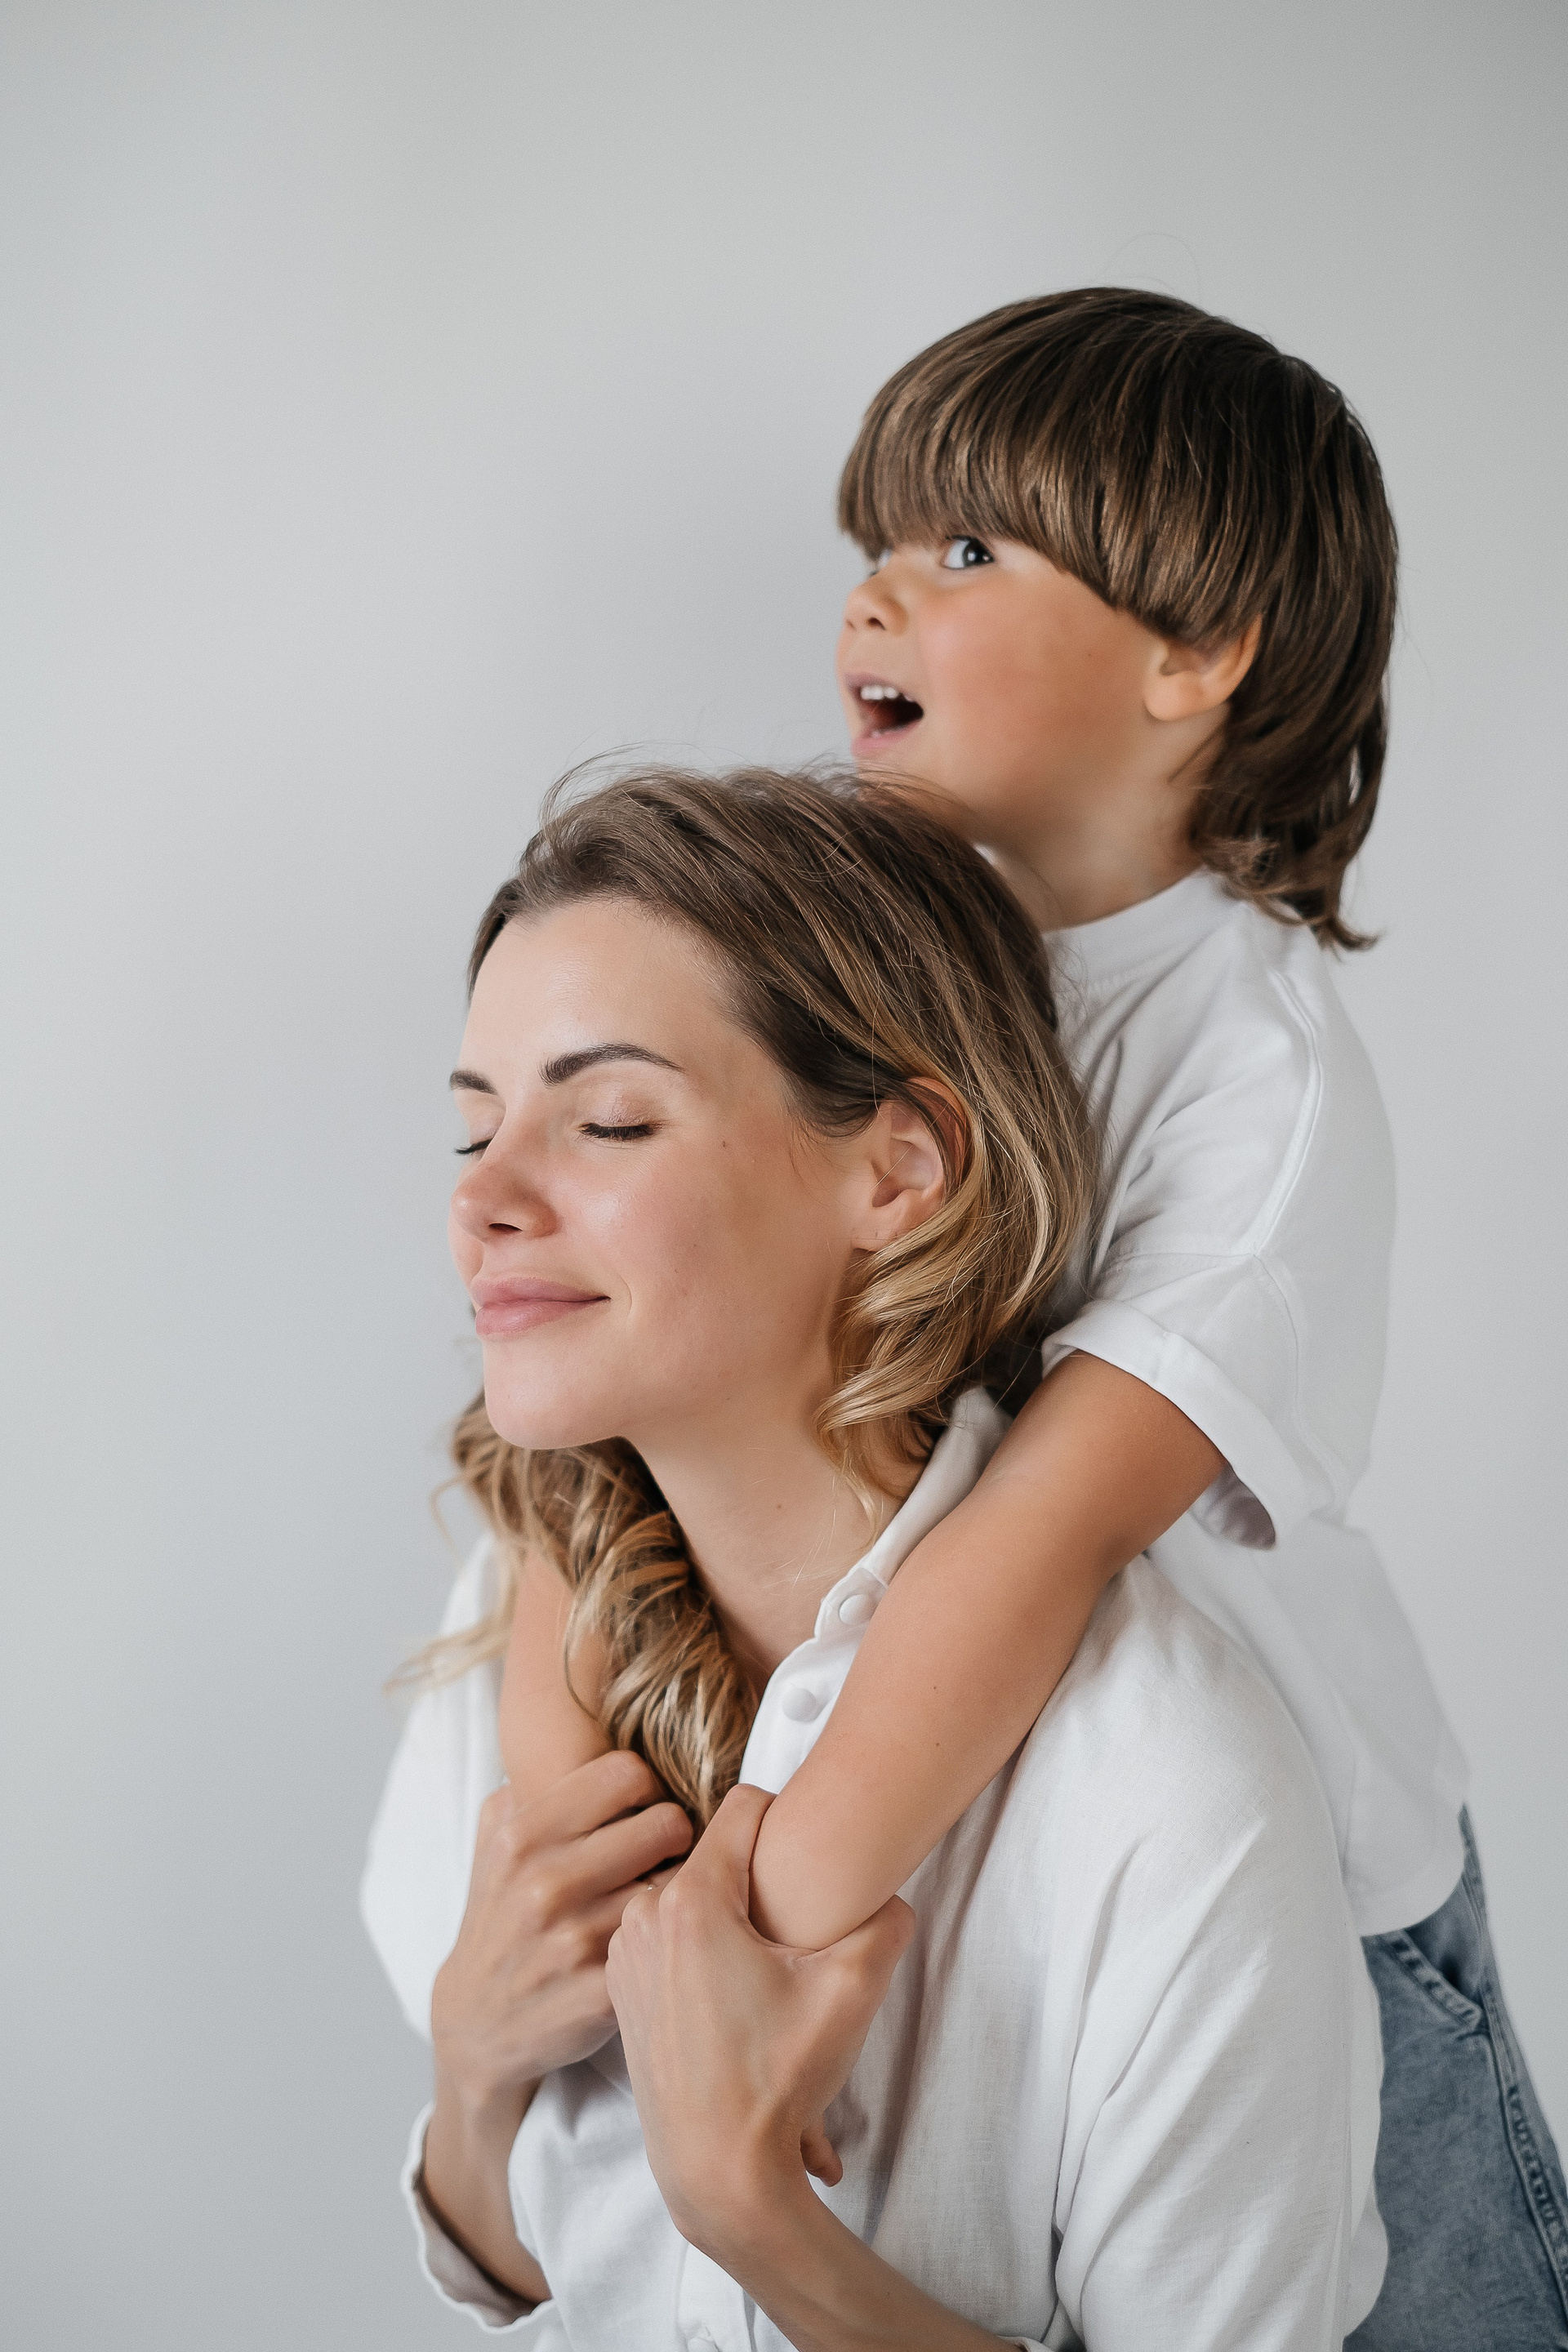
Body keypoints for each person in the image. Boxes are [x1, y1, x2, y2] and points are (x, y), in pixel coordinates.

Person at [491, 293, 1568, 2345]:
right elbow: (613, 1410)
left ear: (1199, 653)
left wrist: (751, 1943)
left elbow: (1044, 1535)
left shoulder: (1256, 1078)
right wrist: (574, 1883)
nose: (875, 597)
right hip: (941, 1804)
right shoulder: (889, 958)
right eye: (877, 545)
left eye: (967, 549)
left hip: (1289, 1895)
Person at [362, 764, 1385, 2348]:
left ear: (898, 1171)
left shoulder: (1168, 1790)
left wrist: (759, 2222)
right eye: (475, 1127)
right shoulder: (502, 1639)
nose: (482, 1200)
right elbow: (526, 2274)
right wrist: (473, 2076)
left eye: (608, 1120)